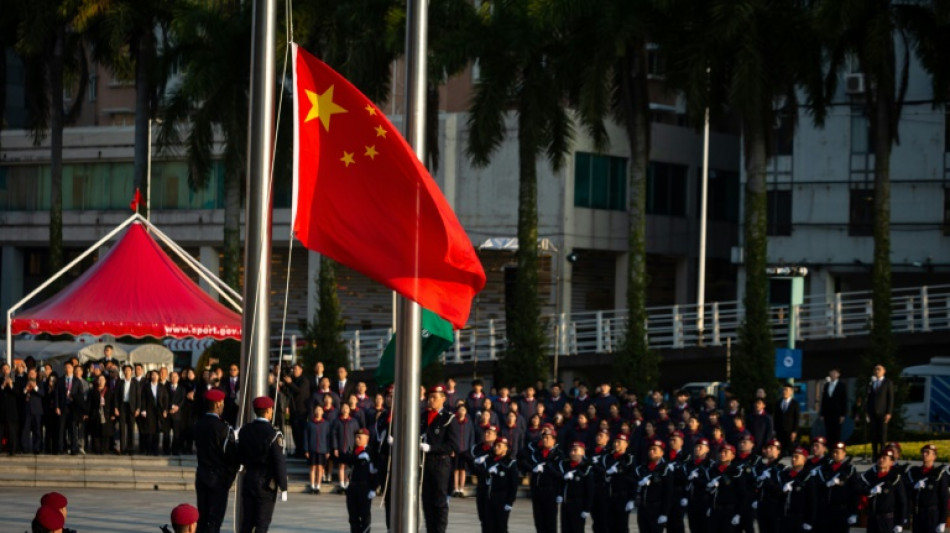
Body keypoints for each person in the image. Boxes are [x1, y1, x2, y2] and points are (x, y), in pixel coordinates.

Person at [237, 396, 288, 533]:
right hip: (266, 483)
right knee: (262, 523)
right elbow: (278, 461)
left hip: (249, 479)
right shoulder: (273, 434)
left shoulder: (245, 430)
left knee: (247, 522)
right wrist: (283, 485)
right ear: (268, 410)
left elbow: (240, 456)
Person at [192, 388, 238, 533]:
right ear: (218, 404)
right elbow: (232, 456)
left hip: (202, 474)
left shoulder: (198, 425)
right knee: (214, 520)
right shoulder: (223, 428)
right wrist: (229, 478)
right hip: (218, 477)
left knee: (202, 518)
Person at [419, 384, 459, 533]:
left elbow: (453, 446)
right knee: (427, 501)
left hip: (440, 463)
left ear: (443, 398)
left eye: (434, 397)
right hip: (424, 463)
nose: (431, 400)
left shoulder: (448, 418)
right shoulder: (423, 416)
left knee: (439, 502)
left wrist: (431, 447)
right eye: (429, 397)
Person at [472, 436, 519, 533]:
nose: (496, 448)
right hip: (488, 498)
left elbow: (513, 485)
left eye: (499, 446)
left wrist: (509, 502)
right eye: (495, 446)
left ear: (506, 448)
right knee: (487, 526)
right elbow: (478, 473)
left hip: (501, 499)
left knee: (500, 527)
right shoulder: (489, 460)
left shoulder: (510, 463)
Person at [519, 425, 561, 533]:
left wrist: (547, 467)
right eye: (543, 438)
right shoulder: (536, 453)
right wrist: (533, 468)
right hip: (537, 490)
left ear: (554, 440)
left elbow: (559, 473)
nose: (545, 440)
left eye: (548, 438)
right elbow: (523, 461)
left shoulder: (558, 454)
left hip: (550, 491)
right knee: (539, 522)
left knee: (550, 523)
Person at [857, 448, 906, 533]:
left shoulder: (895, 478)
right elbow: (857, 488)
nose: (881, 460)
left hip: (887, 519)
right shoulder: (870, 475)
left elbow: (902, 501)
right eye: (880, 458)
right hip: (872, 518)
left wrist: (900, 523)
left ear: (891, 462)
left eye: (884, 458)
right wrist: (869, 491)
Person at [813, 442, 858, 533]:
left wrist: (854, 512)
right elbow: (816, 486)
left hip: (842, 510)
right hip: (826, 509)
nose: (835, 454)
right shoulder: (824, 468)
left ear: (844, 454)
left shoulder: (849, 469)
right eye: (833, 452)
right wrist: (826, 484)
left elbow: (854, 492)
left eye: (838, 452)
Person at [339, 428, 377, 533]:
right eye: (356, 437)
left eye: (360, 437)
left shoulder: (370, 452)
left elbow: (375, 471)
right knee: (353, 516)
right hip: (352, 486)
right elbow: (344, 458)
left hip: (364, 487)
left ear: (367, 439)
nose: (357, 439)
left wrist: (373, 488)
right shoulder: (353, 451)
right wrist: (356, 458)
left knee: (364, 515)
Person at [633, 439, 674, 533]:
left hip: (656, 508)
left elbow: (668, 493)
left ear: (662, 453)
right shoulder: (643, 468)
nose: (651, 452)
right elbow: (633, 481)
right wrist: (638, 483)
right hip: (643, 508)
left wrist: (664, 513)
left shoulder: (665, 470)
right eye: (650, 449)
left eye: (654, 449)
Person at [905, 444, 948, 533]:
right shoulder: (914, 472)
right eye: (923, 452)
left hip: (932, 514)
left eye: (928, 452)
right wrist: (914, 486)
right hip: (918, 513)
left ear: (934, 457)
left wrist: (942, 521)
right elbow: (906, 488)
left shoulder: (939, 474)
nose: (924, 454)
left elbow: (944, 498)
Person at [706, 444, 749, 533]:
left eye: (726, 452)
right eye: (721, 452)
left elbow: (743, 495)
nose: (722, 454)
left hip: (729, 511)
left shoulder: (736, 472)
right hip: (715, 509)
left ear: (732, 456)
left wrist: (738, 514)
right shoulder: (713, 470)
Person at [558, 442, 594, 533]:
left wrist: (586, 508)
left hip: (578, 505)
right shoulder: (565, 465)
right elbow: (559, 483)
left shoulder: (586, 468)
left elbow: (589, 490)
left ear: (582, 452)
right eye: (571, 450)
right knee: (565, 529)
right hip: (566, 504)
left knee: (577, 529)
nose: (572, 453)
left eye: (575, 450)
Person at [865, 365, 894, 460]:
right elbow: (868, 398)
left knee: (882, 434)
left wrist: (889, 412)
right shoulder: (872, 383)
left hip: (883, 412)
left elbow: (890, 398)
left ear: (884, 371)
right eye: (875, 369)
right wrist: (867, 411)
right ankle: (874, 454)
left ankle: (882, 453)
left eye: (879, 369)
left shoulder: (887, 382)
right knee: (873, 434)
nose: (877, 371)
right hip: (872, 412)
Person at [303, 404, 331, 494]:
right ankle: (312, 485)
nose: (318, 411)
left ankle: (318, 486)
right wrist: (306, 449)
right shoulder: (310, 423)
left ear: (323, 412)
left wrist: (328, 450)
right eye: (317, 410)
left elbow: (328, 438)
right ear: (314, 412)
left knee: (320, 468)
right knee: (312, 468)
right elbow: (306, 437)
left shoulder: (326, 424)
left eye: (320, 410)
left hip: (322, 449)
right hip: (312, 449)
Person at [820, 369, 848, 446]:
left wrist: (843, 414)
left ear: (838, 374)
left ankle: (835, 450)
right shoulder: (827, 385)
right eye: (831, 372)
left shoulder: (841, 385)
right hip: (827, 413)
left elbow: (844, 400)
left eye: (835, 373)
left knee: (836, 432)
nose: (833, 374)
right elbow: (824, 400)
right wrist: (822, 413)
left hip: (837, 413)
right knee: (828, 432)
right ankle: (829, 450)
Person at [117, 364, 140, 455]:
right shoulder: (120, 382)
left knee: (131, 428)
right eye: (125, 370)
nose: (127, 372)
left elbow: (138, 397)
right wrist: (116, 407)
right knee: (122, 428)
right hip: (122, 406)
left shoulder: (135, 383)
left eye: (129, 370)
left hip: (132, 407)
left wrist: (138, 408)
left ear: (132, 372)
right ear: (123, 372)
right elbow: (116, 396)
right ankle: (123, 448)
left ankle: (131, 448)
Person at [774, 384, 799, 454]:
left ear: (791, 392)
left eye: (786, 390)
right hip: (780, 431)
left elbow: (796, 418)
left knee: (790, 450)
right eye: (783, 390)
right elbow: (776, 417)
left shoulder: (795, 403)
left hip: (790, 431)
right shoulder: (778, 403)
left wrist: (795, 431)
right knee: (780, 449)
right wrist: (775, 430)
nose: (784, 392)